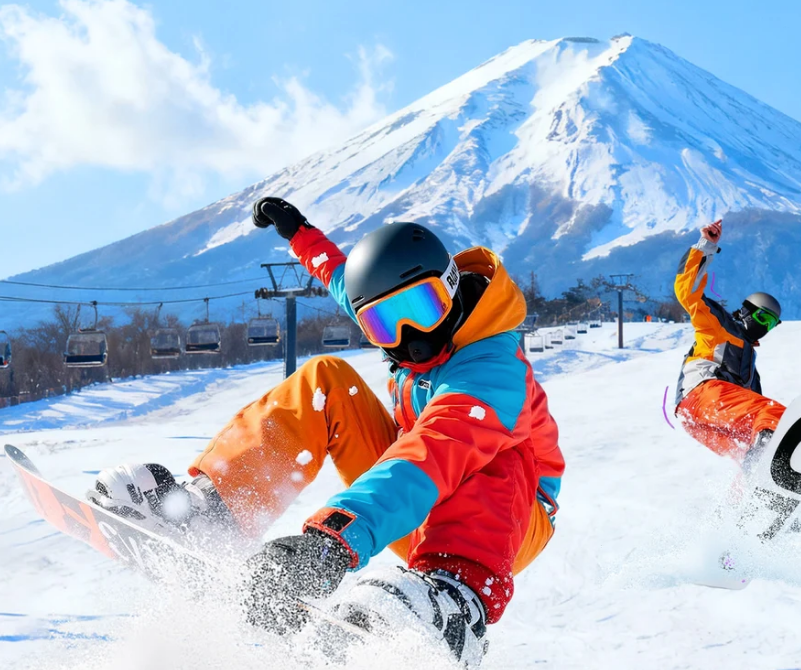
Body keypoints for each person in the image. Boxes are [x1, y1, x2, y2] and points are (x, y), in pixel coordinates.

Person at [85, 198, 565, 665]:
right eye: (382, 325)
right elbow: (340, 278)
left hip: (505, 527)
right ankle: (215, 512)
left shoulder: (493, 370)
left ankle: (455, 602)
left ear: (452, 286)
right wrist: (300, 235)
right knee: (326, 380)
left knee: (496, 452)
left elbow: (430, 455)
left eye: (422, 307)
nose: (408, 336)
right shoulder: (403, 330)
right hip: (416, 507)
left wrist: (328, 544)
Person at [672, 219, 785, 471]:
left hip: (698, 420)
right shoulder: (719, 324)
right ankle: (771, 462)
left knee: (746, 451)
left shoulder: (749, 370)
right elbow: (687, 293)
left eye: (770, 324)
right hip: (701, 396)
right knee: (774, 415)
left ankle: (751, 503)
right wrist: (705, 246)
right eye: (762, 318)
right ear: (746, 312)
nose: (764, 327)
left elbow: (751, 402)